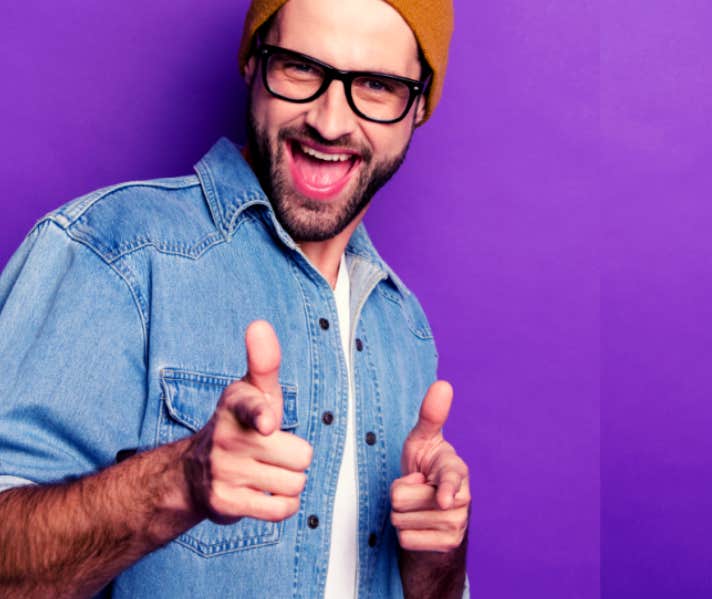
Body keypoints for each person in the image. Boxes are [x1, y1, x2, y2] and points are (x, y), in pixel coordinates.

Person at [0, 0, 469, 596]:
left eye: (377, 85)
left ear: (419, 104)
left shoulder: (403, 326)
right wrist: (179, 483)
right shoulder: (113, 254)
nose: (329, 122)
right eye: (300, 67)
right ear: (253, 63)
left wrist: (439, 558)